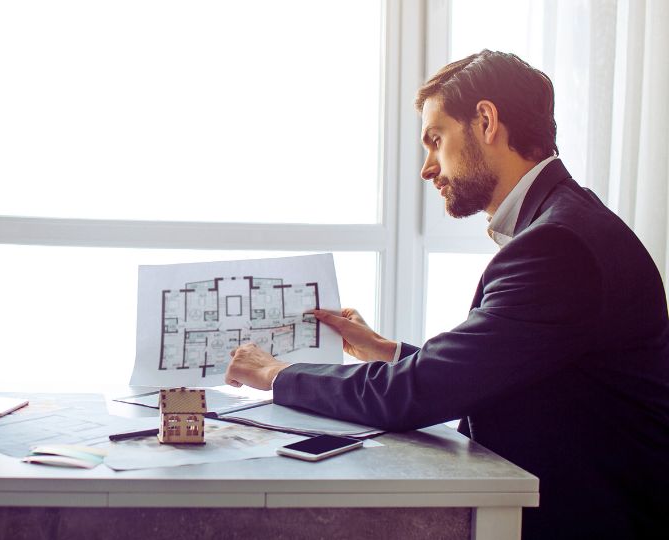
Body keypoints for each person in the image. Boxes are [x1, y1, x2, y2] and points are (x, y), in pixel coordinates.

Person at [225, 50, 669, 539]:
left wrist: (276, 374)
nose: (427, 168)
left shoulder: (556, 245)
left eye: (435, 140)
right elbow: (506, 378)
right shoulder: (569, 221)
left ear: (485, 121)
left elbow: (419, 393)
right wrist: (387, 352)